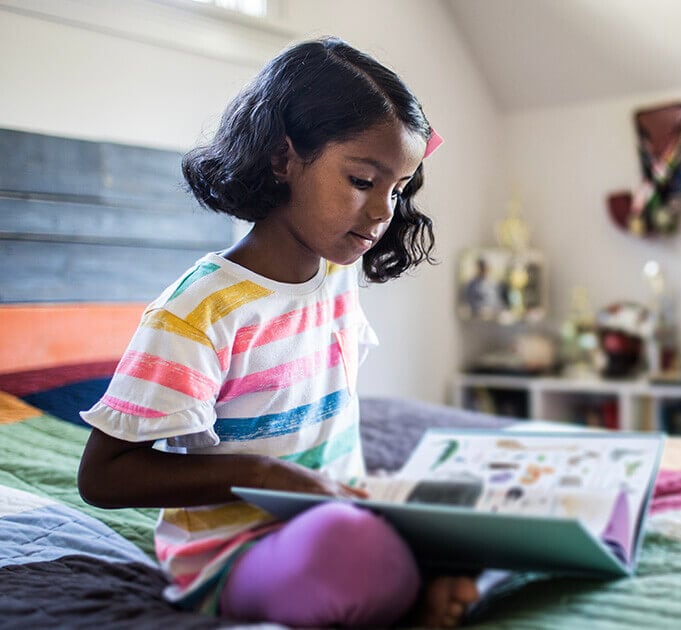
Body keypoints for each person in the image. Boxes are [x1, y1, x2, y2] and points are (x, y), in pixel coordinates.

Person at [78, 37, 478, 628]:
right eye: (362, 181)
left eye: (396, 190)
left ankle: (419, 580)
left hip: (336, 511)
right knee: (354, 551)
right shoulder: (199, 309)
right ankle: (412, 595)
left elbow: (411, 144)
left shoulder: (338, 274)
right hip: (236, 554)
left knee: (478, 511)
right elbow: (104, 475)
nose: (383, 213)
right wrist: (265, 475)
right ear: (281, 159)